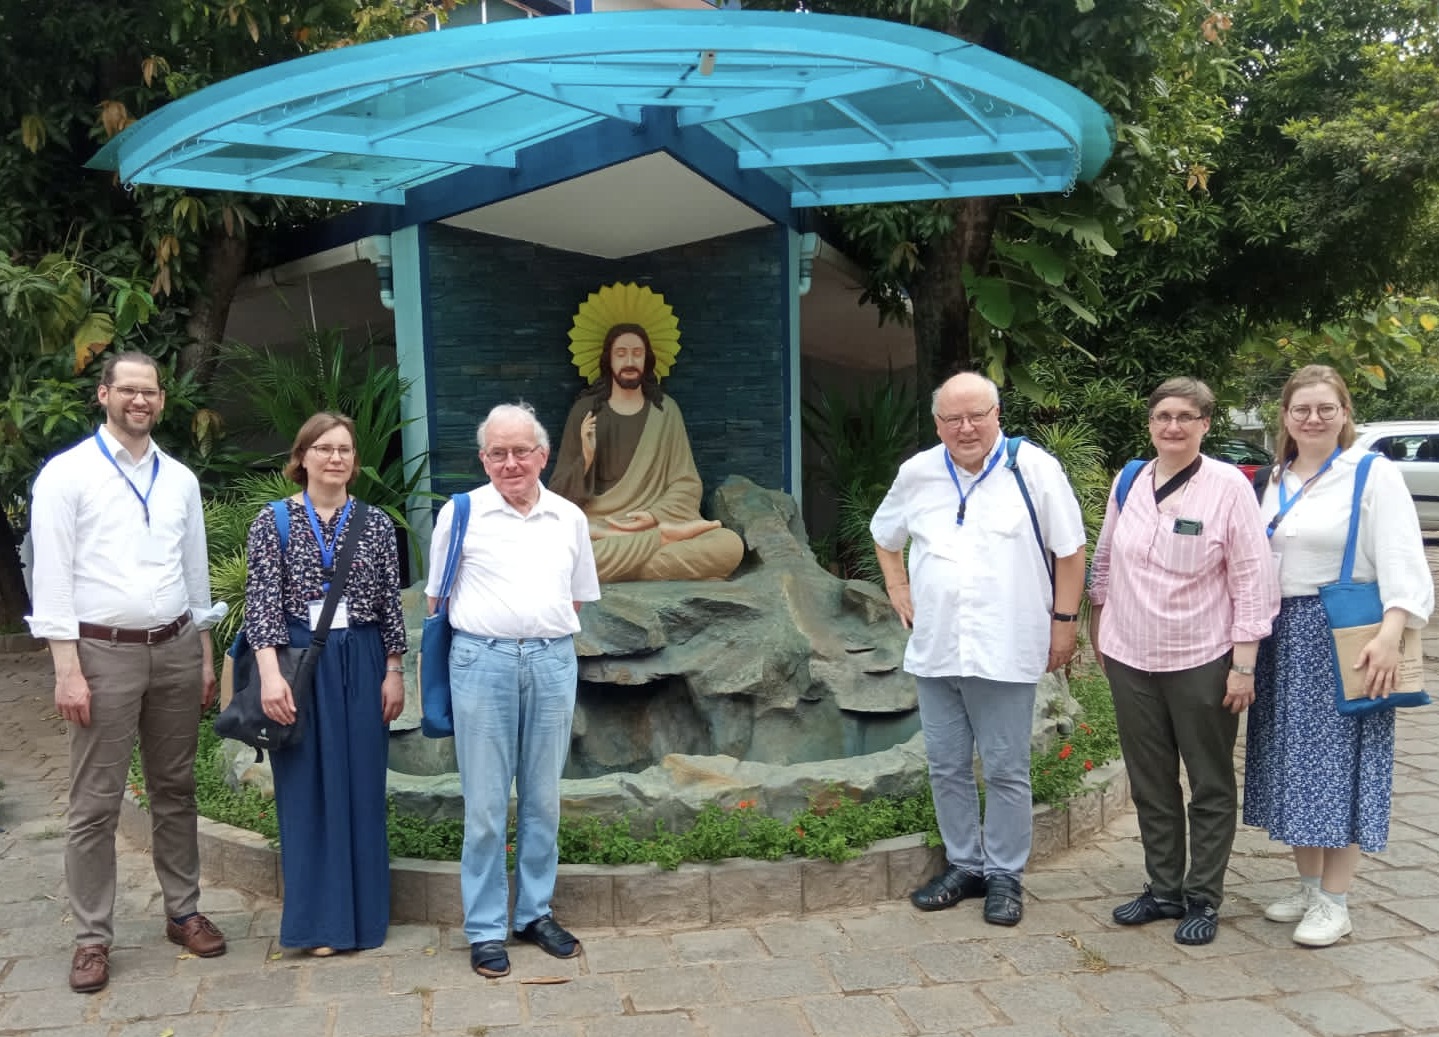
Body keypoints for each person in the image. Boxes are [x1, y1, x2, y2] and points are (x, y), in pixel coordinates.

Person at [26, 351, 228, 994]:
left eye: (151, 392)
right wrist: (66, 670)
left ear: (162, 401)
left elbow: (195, 577)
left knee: (176, 787)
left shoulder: (180, 480)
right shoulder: (67, 475)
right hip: (100, 654)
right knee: (95, 803)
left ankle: (183, 911)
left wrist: (203, 656)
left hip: (173, 648)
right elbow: (52, 577)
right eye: (128, 390)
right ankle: (92, 938)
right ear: (104, 394)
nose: (140, 401)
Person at [870, 372, 1087, 926]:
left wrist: (1065, 624)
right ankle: (965, 865)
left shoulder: (1033, 468)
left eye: (977, 415)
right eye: (952, 419)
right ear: (937, 423)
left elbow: (1070, 551)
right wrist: (898, 587)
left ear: (997, 414)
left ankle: (1005, 875)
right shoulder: (918, 473)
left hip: (1006, 645)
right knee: (945, 765)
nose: (965, 428)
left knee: (1006, 767)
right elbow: (885, 533)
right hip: (938, 646)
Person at [1244, 365, 1433, 947]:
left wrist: (1391, 632)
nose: (1314, 418)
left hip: (1349, 633)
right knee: (1295, 769)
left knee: (1343, 769)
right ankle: (1307, 887)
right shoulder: (1274, 478)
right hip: (1284, 636)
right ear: (1285, 417)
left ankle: (1336, 900)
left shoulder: (1370, 473)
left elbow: (1403, 556)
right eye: (1302, 409)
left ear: (1345, 413)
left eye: (1326, 408)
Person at [1088, 377, 1278, 945]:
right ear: (1150, 422)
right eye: (1163, 415)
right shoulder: (1129, 480)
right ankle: (1163, 888)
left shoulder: (1227, 488)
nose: (1173, 426)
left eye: (1185, 417)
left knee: (1209, 782)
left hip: (1202, 657)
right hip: (1130, 657)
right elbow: (1103, 562)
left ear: (1205, 425)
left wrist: (1244, 664)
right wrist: (1101, 635)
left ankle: (1203, 897)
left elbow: (1252, 577)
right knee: (1151, 782)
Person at [429, 402, 601, 978]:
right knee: (482, 805)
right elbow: (438, 601)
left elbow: (575, 598)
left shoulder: (569, 518)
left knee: (542, 798)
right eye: (497, 453)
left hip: (552, 662)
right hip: (482, 661)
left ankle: (533, 912)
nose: (510, 463)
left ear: (543, 455)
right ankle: (483, 928)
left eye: (521, 451)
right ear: (483, 458)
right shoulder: (460, 514)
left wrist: (534, 631)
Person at [242, 412, 407, 956]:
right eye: (324, 448)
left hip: (361, 660)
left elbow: (389, 608)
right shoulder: (273, 522)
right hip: (298, 665)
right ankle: (318, 925)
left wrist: (394, 671)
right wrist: (269, 677)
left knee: (362, 785)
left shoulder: (377, 524)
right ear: (302, 456)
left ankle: (362, 920)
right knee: (307, 790)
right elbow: (260, 606)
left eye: (345, 450)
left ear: (354, 462)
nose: (336, 457)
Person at [550, 323, 744, 582]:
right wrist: (585, 458)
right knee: (558, 554)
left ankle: (631, 563)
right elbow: (557, 499)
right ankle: (661, 552)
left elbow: (686, 485)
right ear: (608, 359)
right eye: (621, 353)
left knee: (729, 545)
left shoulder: (666, 411)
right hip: (599, 529)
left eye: (637, 353)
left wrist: (654, 515)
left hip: (655, 524)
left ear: (648, 359)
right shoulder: (586, 411)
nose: (629, 361)